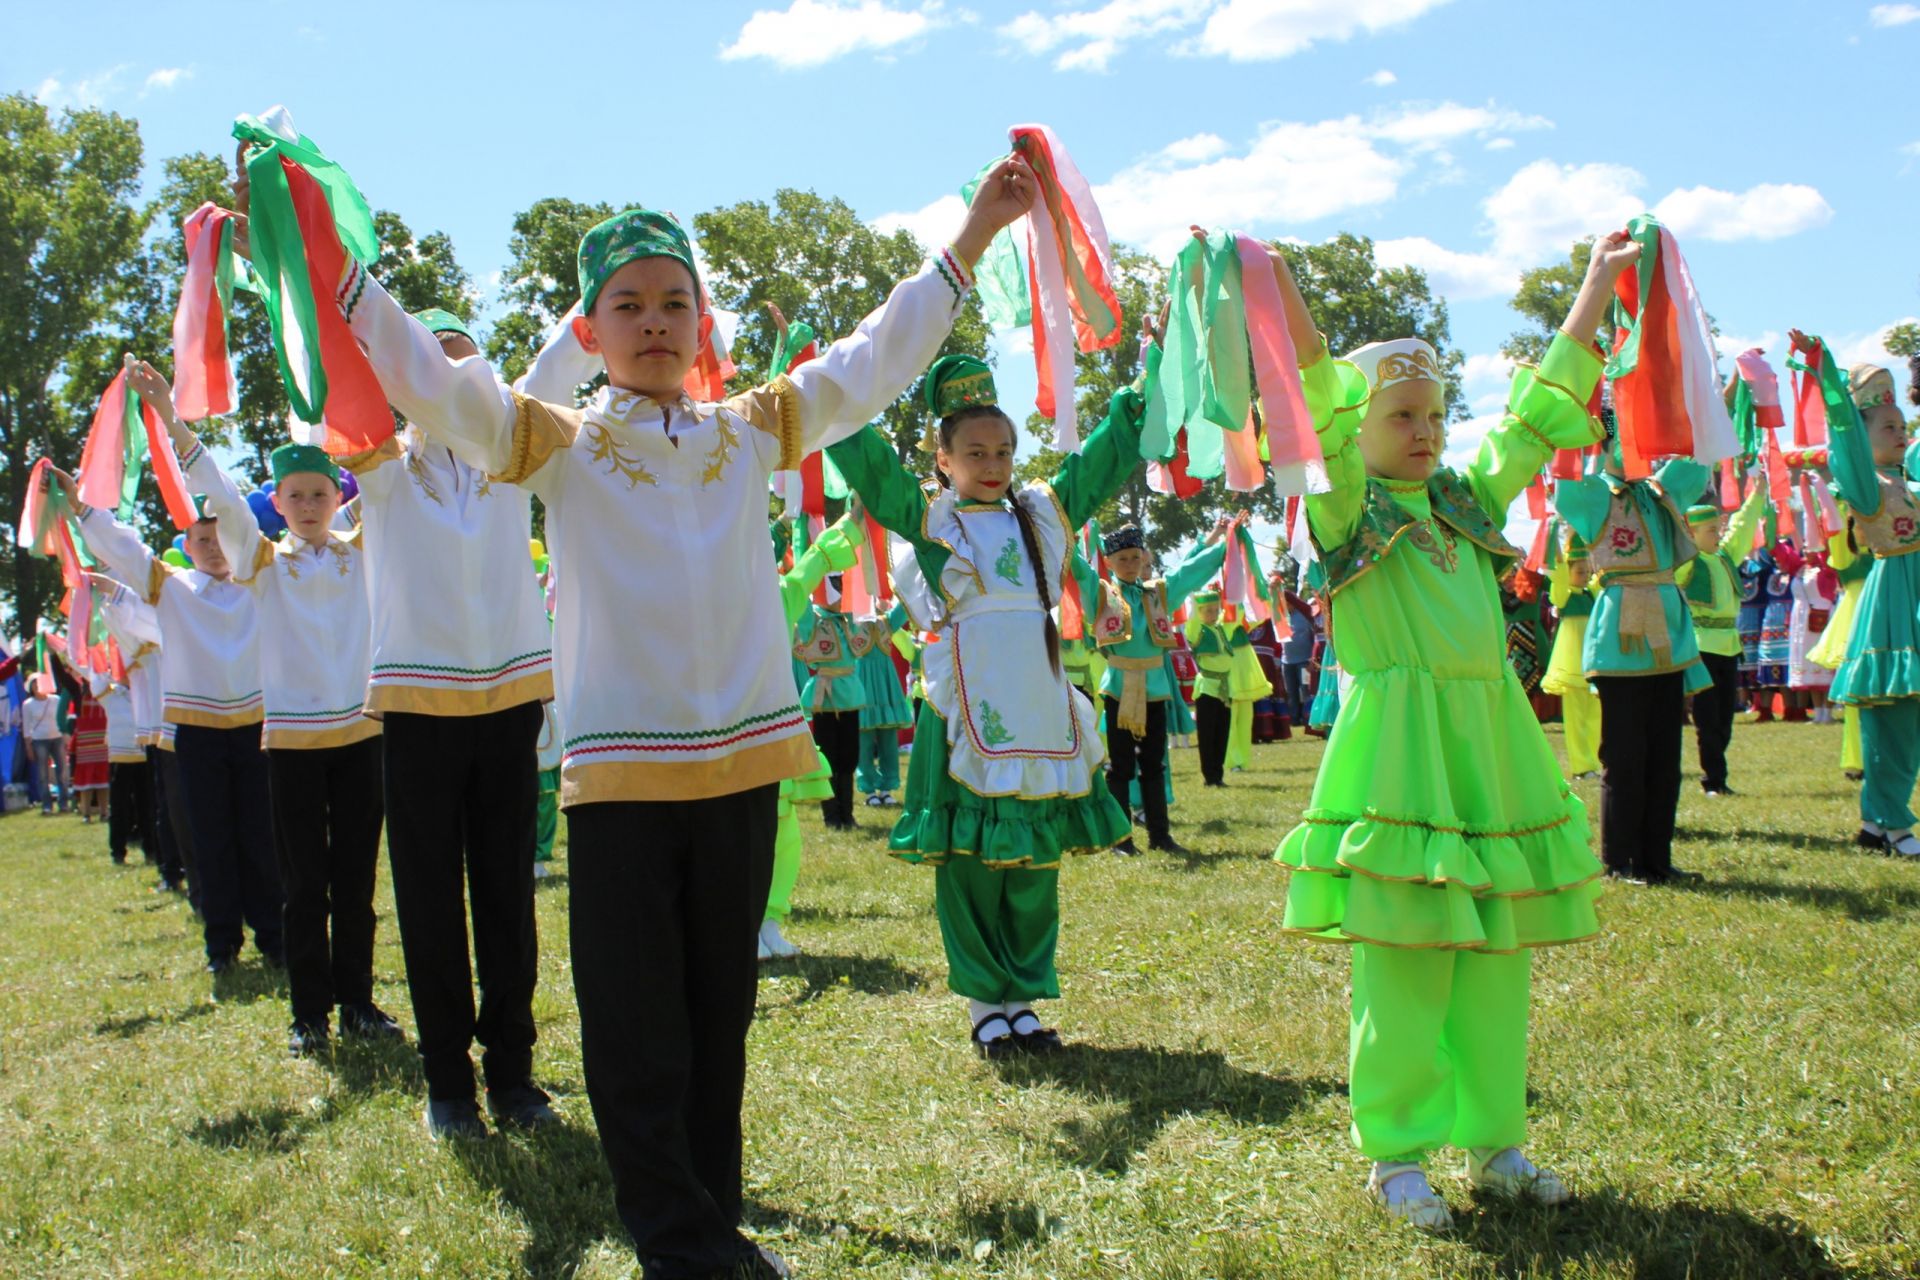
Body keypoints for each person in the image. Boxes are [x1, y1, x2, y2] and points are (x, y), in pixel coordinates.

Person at [332, 157, 1038, 1278]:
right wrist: (340, 269)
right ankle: (675, 1236)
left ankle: (710, 1206)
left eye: (674, 302)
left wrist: (979, 231)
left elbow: (873, 357)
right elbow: (433, 385)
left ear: (698, 320)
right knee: (631, 1019)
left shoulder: (746, 429)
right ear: (593, 327)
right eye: (629, 305)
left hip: (746, 766)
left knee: (721, 1010)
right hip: (618, 780)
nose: (654, 322)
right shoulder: (554, 443)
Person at [1273, 230, 1628, 1231]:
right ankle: (1394, 1152)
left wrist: (1595, 283)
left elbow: (1536, 413)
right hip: (1401, 758)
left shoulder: (1467, 504)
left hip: (1490, 749)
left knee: (1495, 952)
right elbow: (1316, 398)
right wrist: (1281, 287)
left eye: (1433, 413)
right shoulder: (1343, 508)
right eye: (1401, 414)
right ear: (1363, 421)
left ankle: (1498, 1138)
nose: (1423, 431)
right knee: (1408, 948)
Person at [828, 349, 1140, 1057]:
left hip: (1037, 705)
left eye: (1003, 450)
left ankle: (1023, 1001)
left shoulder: (1041, 515)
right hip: (965, 711)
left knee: (1034, 862)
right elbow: (874, 470)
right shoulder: (932, 525)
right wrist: (828, 385)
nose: (993, 464)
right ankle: (982, 1005)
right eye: (975, 452)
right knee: (969, 861)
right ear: (942, 458)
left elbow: (1095, 465)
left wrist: (1141, 391)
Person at [132, 351, 400, 1058]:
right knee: (304, 883)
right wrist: (173, 419)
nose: (310, 507)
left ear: (336, 499)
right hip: (290, 744)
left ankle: (359, 1001)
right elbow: (217, 491)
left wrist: (358, 373)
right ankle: (308, 1014)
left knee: (356, 882)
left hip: (359, 735)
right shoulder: (262, 562)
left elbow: (386, 469)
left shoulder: (364, 548)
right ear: (276, 504)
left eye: (320, 494)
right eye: (296, 497)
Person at [58, 464, 283, 971]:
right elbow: (125, 551)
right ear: (187, 544)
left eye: (218, 537)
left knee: (260, 835)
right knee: (210, 838)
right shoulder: (172, 587)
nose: (212, 547)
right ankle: (221, 944)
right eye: (200, 540)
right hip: (197, 730)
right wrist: (84, 508)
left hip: (255, 726)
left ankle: (274, 936)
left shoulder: (259, 581)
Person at [1555, 406, 1713, 886]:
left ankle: (1657, 859)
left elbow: (1700, 453)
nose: (1644, 447)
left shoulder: (1660, 490)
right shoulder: (1595, 495)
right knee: (1625, 757)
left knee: (1665, 758)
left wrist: (1698, 393)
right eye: (1630, 436)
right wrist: (1580, 415)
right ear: (1604, 444)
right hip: (1619, 640)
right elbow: (1565, 484)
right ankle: (1621, 860)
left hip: (1668, 638)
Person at [1791, 332, 1920, 856]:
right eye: (1888, 427)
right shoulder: (1868, 485)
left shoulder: (1908, 479)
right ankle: (1894, 824)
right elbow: (1842, 437)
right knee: (1895, 718)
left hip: (1911, 599)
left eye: (1903, 426)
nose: (1900, 434)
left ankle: (1876, 825)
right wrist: (1828, 379)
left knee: (1906, 719)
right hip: (1893, 600)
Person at [1097, 520, 1230, 854]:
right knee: (1121, 766)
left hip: (1155, 690)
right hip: (1118, 688)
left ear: (1144, 558)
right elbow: (1073, 570)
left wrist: (1228, 544)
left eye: (1135, 557)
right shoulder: (1101, 593)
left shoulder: (1158, 593)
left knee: (1155, 763)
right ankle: (1120, 839)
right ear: (1109, 562)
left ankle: (1160, 836)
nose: (1130, 565)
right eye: (1122, 559)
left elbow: (1189, 571)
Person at [1678, 483, 1766, 795]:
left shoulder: (1726, 558)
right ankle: (1713, 780)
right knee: (1707, 718)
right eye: (1710, 530)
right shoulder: (1687, 563)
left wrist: (1757, 494)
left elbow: (1742, 526)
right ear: (1692, 535)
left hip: (1729, 647)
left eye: (1718, 529)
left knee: (1725, 717)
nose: (1718, 534)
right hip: (1701, 648)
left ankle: (1716, 775)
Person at [1541, 527, 1600, 778]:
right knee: (1575, 719)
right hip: (1572, 661)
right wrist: (1554, 537)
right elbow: (1558, 575)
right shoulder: (1563, 596)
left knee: (1596, 714)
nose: (1585, 576)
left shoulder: (1592, 594)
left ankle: (1597, 761)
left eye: (1587, 571)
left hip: (1593, 662)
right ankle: (1581, 765)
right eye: (1580, 571)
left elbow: (1603, 577)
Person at [19, 671, 69, 815]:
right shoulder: (28, 704)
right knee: (42, 775)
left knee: (62, 772)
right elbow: (27, 727)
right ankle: (47, 805)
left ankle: (64, 803)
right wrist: (28, 746)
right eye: (34, 684)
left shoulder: (56, 699)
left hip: (57, 737)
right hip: (39, 740)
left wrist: (65, 734)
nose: (37, 686)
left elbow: (63, 718)